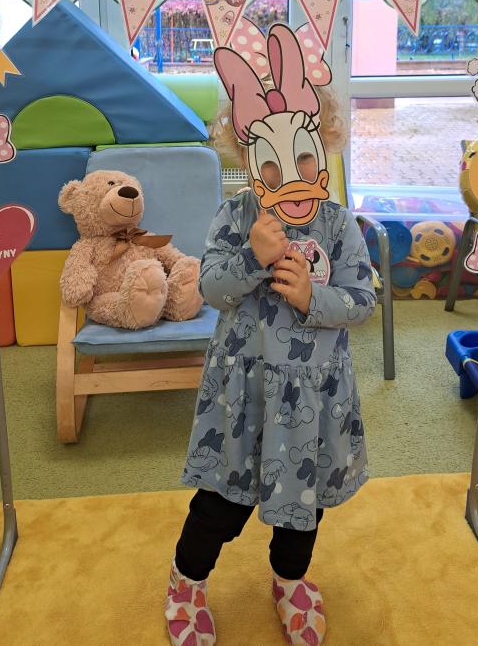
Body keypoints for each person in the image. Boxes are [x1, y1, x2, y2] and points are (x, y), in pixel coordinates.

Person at [165, 84, 376, 646]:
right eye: (272, 161)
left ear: (325, 144)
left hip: (314, 395)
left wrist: (312, 298)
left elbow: (362, 300)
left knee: (302, 507)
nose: (291, 173)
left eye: (304, 155)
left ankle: (289, 580)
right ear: (247, 157)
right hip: (244, 391)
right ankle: (186, 581)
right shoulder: (235, 216)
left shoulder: (338, 224)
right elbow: (212, 288)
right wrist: (253, 256)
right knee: (220, 504)